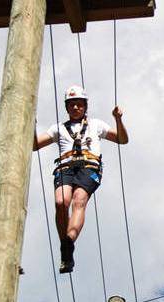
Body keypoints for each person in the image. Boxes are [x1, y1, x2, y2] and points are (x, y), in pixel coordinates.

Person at [33, 85, 128, 273]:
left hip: (89, 166)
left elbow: (122, 139)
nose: (75, 108)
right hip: (65, 167)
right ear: (67, 108)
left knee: (79, 201)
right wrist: (30, 125)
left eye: (79, 104)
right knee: (61, 202)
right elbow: (35, 145)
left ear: (85, 106)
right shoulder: (58, 128)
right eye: (71, 105)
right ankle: (65, 244)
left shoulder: (96, 125)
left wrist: (118, 119)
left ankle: (69, 242)